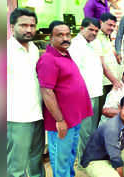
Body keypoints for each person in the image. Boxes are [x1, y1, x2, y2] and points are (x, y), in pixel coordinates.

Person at [36, 20, 93, 177]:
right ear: (50, 38)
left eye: (68, 34)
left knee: (70, 156)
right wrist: (60, 120)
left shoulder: (65, 54)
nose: (65, 38)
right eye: (60, 35)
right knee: (60, 159)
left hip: (73, 120)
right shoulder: (48, 59)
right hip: (62, 122)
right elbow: (47, 92)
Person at [68, 17, 111, 166]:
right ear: (82, 28)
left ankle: (89, 157)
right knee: (84, 131)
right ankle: (83, 161)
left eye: (96, 30)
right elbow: (73, 73)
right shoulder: (74, 45)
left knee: (92, 129)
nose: (93, 33)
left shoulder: (92, 44)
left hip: (94, 93)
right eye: (90, 29)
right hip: (82, 95)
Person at [7, 8, 45, 177]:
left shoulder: (34, 49)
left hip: (37, 114)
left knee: (36, 160)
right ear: (12, 26)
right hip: (17, 117)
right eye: (23, 25)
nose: (29, 29)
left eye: (32, 25)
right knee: (16, 166)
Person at [81, 95, 124, 177]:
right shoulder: (112, 127)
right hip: (95, 160)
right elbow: (116, 159)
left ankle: (113, 173)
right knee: (116, 170)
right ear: (120, 108)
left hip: (108, 156)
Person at [93, 12, 123, 122]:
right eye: (109, 25)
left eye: (113, 26)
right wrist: (115, 81)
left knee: (108, 108)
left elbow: (108, 51)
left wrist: (116, 54)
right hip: (103, 81)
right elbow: (102, 63)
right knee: (101, 110)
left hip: (110, 80)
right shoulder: (96, 38)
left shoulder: (106, 37)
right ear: (101, 22)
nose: (111, 28)